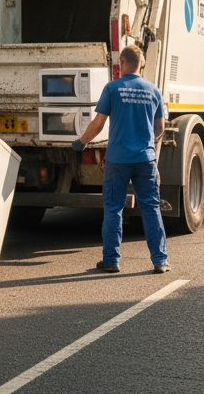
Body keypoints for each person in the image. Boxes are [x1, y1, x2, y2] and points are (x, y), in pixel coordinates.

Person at [72, 44, 170, 274]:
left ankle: (111, 260)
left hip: (118, 160)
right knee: (151, 208)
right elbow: (160, 128)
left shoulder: (112, 89)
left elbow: (98, 124)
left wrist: (81, 142)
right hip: (145, 159)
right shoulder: (154, 90)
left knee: (114, 208)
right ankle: (160, 261)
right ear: (141, 64)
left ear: (123, 63)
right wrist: (144, 141)